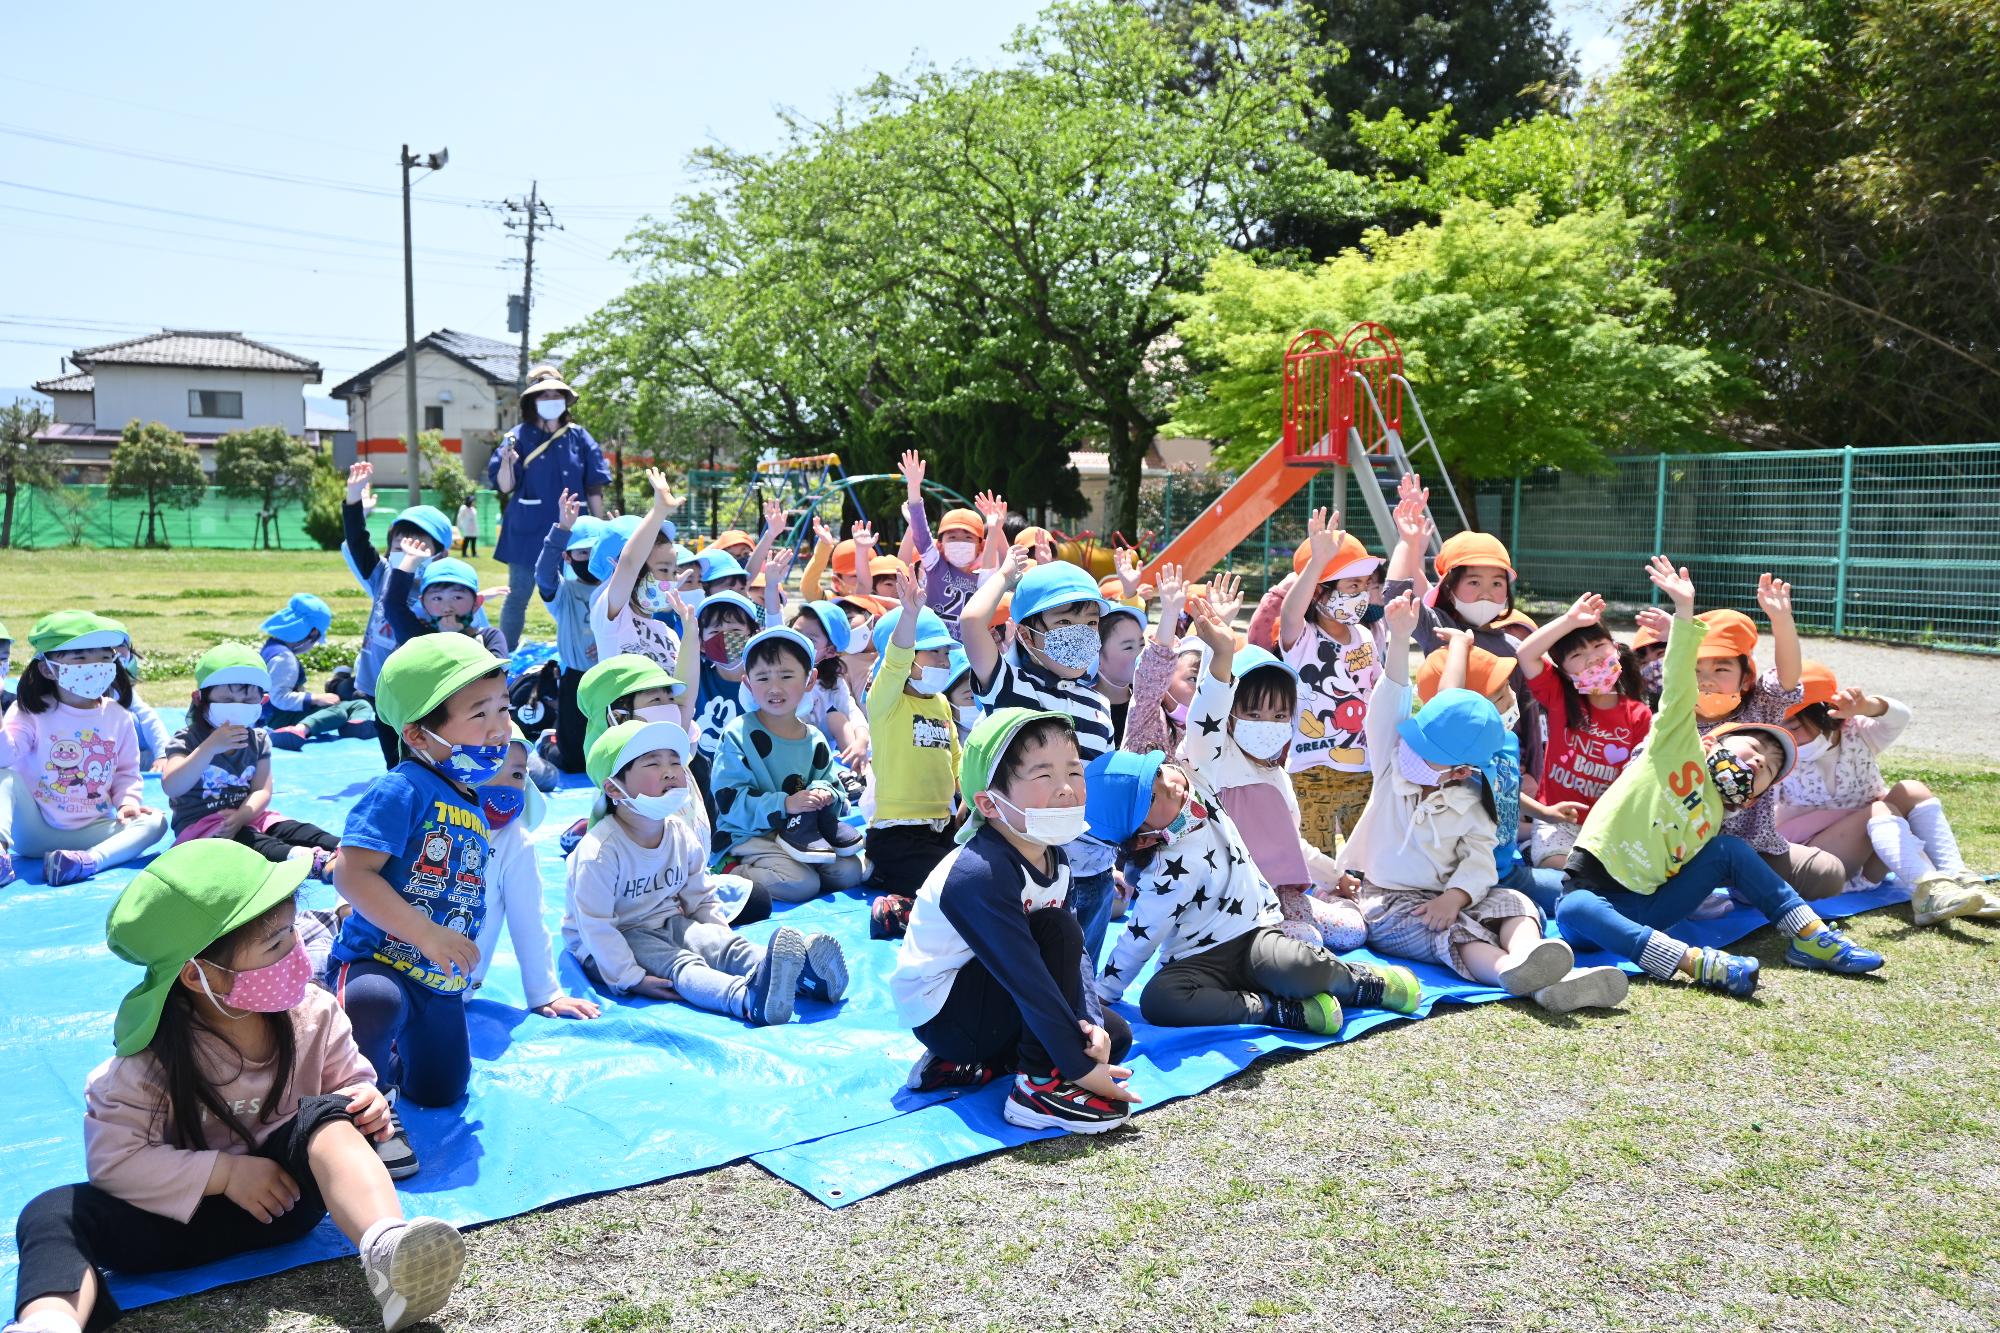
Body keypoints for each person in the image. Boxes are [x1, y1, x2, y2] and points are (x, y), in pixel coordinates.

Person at [8, 840, 465, 1333]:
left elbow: (348, 1080)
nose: (297, 951)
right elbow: (115, 1162)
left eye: (294, 931)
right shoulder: (144, 1064)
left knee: (327, 1120)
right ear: (198, 975)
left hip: (285, 1206)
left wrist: (367, 1100)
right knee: (51, 1212)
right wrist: (224, 1174)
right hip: (171, 1225)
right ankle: (49, 1323)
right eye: (275, 944)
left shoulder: (315, 1013)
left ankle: (387, 1251)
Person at [1554, 557, 1885, 997]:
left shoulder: (1716, 814)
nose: (1757, 763)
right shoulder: (1674, 745)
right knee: (1572, 907)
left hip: (1652, 905)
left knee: (1729, 850)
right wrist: (1685, 615)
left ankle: (1810, 936)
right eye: (1753, 750)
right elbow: (1676, 684)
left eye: (1767, 769)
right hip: (1594, 893)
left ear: (1756, 797)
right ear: (1710, 744)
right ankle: (1696, 963)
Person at [1342, 593, 1630, 1014]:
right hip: (1390, 903)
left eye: (1429, 749)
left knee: (1514, 903)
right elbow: (1392, 698)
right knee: (1456, 934)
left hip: (1451, 895)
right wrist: (1401, 637)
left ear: (1461, 770)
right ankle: (1512, 971)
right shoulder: (1391, 763)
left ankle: (1535, 963)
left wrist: (1455, 897)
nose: (1414, 748)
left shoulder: (1473, 798)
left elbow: (1478, 861)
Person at [891, 709, 1141, 1134]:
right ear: (989, 803)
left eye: (1075, 771)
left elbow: (1073, 955)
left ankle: (970, 1067)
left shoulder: (1052, 854)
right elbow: (1024, 970)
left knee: (1114, 1036)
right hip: (949, 1014)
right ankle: (1037, 1088)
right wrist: (1077, 1066)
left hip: (994, 999)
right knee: (1054, 932)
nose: (1066, 789)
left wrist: (1090, 1024)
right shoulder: (979, 873)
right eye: (1043, 776)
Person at [328, 635, 511, 1180]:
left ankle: (394, 1059)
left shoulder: (470, 793)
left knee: (441, 1091)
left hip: (439, 978)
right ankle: (369, 1102)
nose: (499, 727)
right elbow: (351, 872)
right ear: (417, 733)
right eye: (479, 714)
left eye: (502, 708)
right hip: (380, 958)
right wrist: (426, 932)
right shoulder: (401, 788)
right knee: (373, 1001)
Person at [1086, 744, 1420, 1030]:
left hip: (1254, 935)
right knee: (1159, 1002)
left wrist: (1219, 668)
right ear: (1142, 837)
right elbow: (1140, 938)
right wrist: (1105, 992)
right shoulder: (1161, 873)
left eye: (1159, 773)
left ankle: (1364, 982)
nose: (1171, 786)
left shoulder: (1200, 782)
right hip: (1197, 960)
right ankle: (1279, 1011)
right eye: (1152, 798)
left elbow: (1210, 709)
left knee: (1295, 967)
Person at [564, 720, 845, 1024]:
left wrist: (718, 938)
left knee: (724, 947)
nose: (670, 770)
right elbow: (596, 926)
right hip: (615, 939)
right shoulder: (600, 852)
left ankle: (803, 977)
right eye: (652, 763)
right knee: (682, 964)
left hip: (667, 921)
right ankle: (748, 999)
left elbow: (701, 898)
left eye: (675, 761)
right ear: (613, 786)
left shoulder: (679, 834)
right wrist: (629, 977)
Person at [962, 551, 1121, 962]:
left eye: (1090, 624)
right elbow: (971, 624)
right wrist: (1003, 575)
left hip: (1093, 865)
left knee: (1082, 970)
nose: (1082, 635)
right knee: (1028, 964)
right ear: (1028, 635)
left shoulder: (1098, 703)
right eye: (1065, 623)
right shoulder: (1011, 686)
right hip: (1026, 861)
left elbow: (1099, 780)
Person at [1179, 601, 1364, 950]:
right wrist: (1216, 652)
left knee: (1352, 932)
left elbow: (1292, 845)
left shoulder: (1278, 775)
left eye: (1279, 716)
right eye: (1253, 713)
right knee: (1306, 941)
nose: (1268, 724)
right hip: (1229, 906)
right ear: (1229, 716)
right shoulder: (1213, 761)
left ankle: (1327, 899)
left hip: (1280, 892)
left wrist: (1336, 877)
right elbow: (1205, 715)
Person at [1775, 661, 1990, 923]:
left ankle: (1960, 879)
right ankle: (1928, 892)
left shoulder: (1859, 732)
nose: (1787, 735)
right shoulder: (1776, 753)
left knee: (1912, 790)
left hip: (1870, 852)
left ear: (1826, 714)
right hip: (1815, 862)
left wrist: (1867, 707)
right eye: (1779, 725)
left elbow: (1901, 716)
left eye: (1794, 726)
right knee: (1878, 808)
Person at [1688, 584, 1847, 900]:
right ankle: (1708, 888)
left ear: (1745, 677)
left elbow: (1787, 680)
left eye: (1721, 668)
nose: (1707, 679)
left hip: (1754, 844)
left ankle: (1741, 885)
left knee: (1829, 875)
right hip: (1682, 846)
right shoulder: (1672, 716)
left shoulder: (1759, 708)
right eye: (1696, 669)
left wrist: (1781, 620)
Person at [1381, 474, 1543, 782]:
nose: (1487, 592)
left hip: (1501, 769)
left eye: (1497, 583)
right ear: (1449, 587)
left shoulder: (1513, 645)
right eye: (1473, 582)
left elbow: (1529, 714)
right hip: (1448, 769)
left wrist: (1533, 770)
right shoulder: (1440, 628)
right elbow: (1395, 596)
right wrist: (1408, 542)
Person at [0, 611, 168, 888]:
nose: (94, 665)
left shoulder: (118, 717)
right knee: (3, 777)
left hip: (92, 831)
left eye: (104, 657)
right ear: (47, 667)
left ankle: (85, 862)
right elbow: (5, 758)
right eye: (80, 657)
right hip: (32, 831)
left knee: (155, 823)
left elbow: (127, 772)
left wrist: (127, 803)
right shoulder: (29, 710)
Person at [712, 629, 868, 902]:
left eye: (786, 676)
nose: (775, 688)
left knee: (849, 872)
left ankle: (793, 864)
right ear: (748, 683)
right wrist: (785, 804)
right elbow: (730, 802)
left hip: (803, 835)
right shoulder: (738, 733)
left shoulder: (814, 738)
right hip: (749, 835)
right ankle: (730, 869)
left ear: (810, 680)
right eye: (763, 678)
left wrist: (824, 793)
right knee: (801, 883)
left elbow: (834, 787)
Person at [160, 644, 338, 876]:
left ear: (261, 702)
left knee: (295, 829)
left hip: (250, 814)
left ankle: (349, 849)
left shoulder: (258, 739)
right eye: (226, 700)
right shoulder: (188, 739)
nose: (237, 708)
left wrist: (242, 815)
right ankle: (313, 862)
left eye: (247, 702)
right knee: (252, 843)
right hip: (203, 829)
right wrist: (210, 747)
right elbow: (172, 785)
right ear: (199, 698)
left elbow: (262, 790)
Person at [1511, 594, 1653, 869]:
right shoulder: (1560, 698)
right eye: (1577, 655)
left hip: (1610, 826)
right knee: (1562, 869)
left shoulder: (1638, 714)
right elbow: (1525, 653)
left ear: (1616, 648)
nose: (1592, 659)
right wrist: (1569, 620)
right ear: (1563, 671)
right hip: (1556, 821)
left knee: (1618, 873)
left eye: (1599, 645)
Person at [468, 731, 601, 1019]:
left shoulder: (514, 841)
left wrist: (545, 993)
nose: (504, 787)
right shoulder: (426, 815)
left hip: (454, 986)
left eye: (516, 775)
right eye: (489, 770)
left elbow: (528, 920)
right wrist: (344, 906)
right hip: (396, 964)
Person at [1278, 509, 1386, 851]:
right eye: (1352, 585)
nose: (1362, 594)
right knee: (1317, 858)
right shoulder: (1303, 638)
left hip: (1363, 767)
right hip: (1312, 770)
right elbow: (1289, 612)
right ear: (1319, 592)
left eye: (1365, 585)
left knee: (1364, 857)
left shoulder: (1366, 636)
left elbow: (1378, 693)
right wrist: (1317, 562)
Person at [862, 572, 963, 938]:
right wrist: (909, 615)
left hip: (940, 827)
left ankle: (903, 887)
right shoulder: (886, 701)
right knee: (951, 889)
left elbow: (957, 764)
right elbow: (894, 660)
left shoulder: (940, 703)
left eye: (946, 651)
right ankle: (898, 909)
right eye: (933, 650)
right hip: (898, 836)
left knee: (975, 875)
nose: (943, 659)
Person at [340, 461, 458, 768]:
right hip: (379, 686)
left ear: (440, 553)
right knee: (391, 751)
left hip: (419, 691)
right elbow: (356, 543)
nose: (405, 553)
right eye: (398, 545)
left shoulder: (438, 591)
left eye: (416, 546)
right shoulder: (382, 575)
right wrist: (353, 499)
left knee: (423, 748)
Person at [488, 372, 610, 651]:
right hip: (527, 532)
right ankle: (502, 656)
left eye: (557, 395)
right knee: (518, 595)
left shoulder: (579, 436)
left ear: (566, 401)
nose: (551, 400)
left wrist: (601, 527)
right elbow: (505, 486)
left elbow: (594, 486)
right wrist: (507, 461)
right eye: (544, 395)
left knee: (580, 594)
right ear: (532, 400)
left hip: (574, 534)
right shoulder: (516, 436)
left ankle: (580, 649)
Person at [587, 472, 691, 678]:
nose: (670, 581)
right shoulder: (611, 618)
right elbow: (630, 564)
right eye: (663, 570)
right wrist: (659, 511)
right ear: (616, 566)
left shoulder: (667, 633)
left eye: (673, 571)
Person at [533, 492, 608, 772]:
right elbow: (543, 574)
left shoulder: (618, 588)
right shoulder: (564, 592)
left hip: (612, 678)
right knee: (573, 760)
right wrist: (562, 530)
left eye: (595, 552)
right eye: (581, 552)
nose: (589, 560)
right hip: (576, 679)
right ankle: (549, 744)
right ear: (568, 556)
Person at [259, 594, 376, 750]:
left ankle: (354, 724)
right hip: (278, 717)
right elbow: (279, 697)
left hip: (277, 714)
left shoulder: (272, 647)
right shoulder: (284, 658)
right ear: (312, 632)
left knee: (359, 704)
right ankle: (300, 730)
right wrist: (315, 698)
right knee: (338, 712)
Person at [896, 450, 989, 638]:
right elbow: (922, 534)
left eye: (968, 537)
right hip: (933, 648)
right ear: (940, 545)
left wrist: (996, 528)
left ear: (981, 546)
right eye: (952, 538)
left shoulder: (985, 577)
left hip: (968, 655)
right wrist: (914, 488)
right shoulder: (936, 567)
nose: (960, 543)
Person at [383, 555, 509, 661]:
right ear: (423, 604)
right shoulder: (417, 637)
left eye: (457, 597)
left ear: (476, 603)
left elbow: (495, 676)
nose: (447, 608)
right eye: (437, 598)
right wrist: (409, 562)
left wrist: (454, 639)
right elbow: (393, 606)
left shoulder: (490, 638)